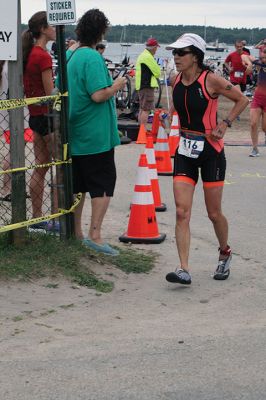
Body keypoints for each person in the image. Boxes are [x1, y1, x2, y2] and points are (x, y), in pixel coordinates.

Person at [164, 33, 249, 285]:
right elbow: (179, 104)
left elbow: (242, 99)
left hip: (211, 152)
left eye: (182, 53)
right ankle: (183, 269)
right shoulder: (175, 79)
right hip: (185, 151)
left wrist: (225, 123)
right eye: (174, 53)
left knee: (214, 213)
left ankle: (224, 252)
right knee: (181, 212)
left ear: (196, 56)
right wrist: (168, 116)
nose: (176, 57)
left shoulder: (210, 80)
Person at [67, 9, 127, 255]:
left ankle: (76, 232)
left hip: (76, 129)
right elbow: (98, 94)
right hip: (95, 133)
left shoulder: (71, 54)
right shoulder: (91, 57)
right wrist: (117, 84)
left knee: (78, 184)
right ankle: (95, 234)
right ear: (100, 31)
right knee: (102, 184)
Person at [22, 11, 58, 231]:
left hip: (35, 115)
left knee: (40, 168)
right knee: (60, 167)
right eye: (52, 26)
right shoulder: (42, 56)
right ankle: (56, 217)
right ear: (44, 29)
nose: (55, 29)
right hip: (47, 116)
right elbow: (49, 93)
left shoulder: (29, 53)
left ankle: (37, 217)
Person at [242, 49, 266, 157]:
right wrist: (250, 64)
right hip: (257, 98)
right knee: (253, 124)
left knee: (265, 127)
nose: (263, 57)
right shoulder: (260, 62)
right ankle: (255, 148)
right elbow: (244, 56)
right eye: (262, 54)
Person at [135, 38, 161, 129]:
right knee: (146, 110)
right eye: (156, 48)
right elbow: (157, 72)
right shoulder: (148, 57)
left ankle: (140, 130)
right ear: (153, 48)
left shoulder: (143, 55)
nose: (156, 50)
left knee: (142, 109)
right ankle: (143, 131)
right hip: (147, 85)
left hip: (141, 85)